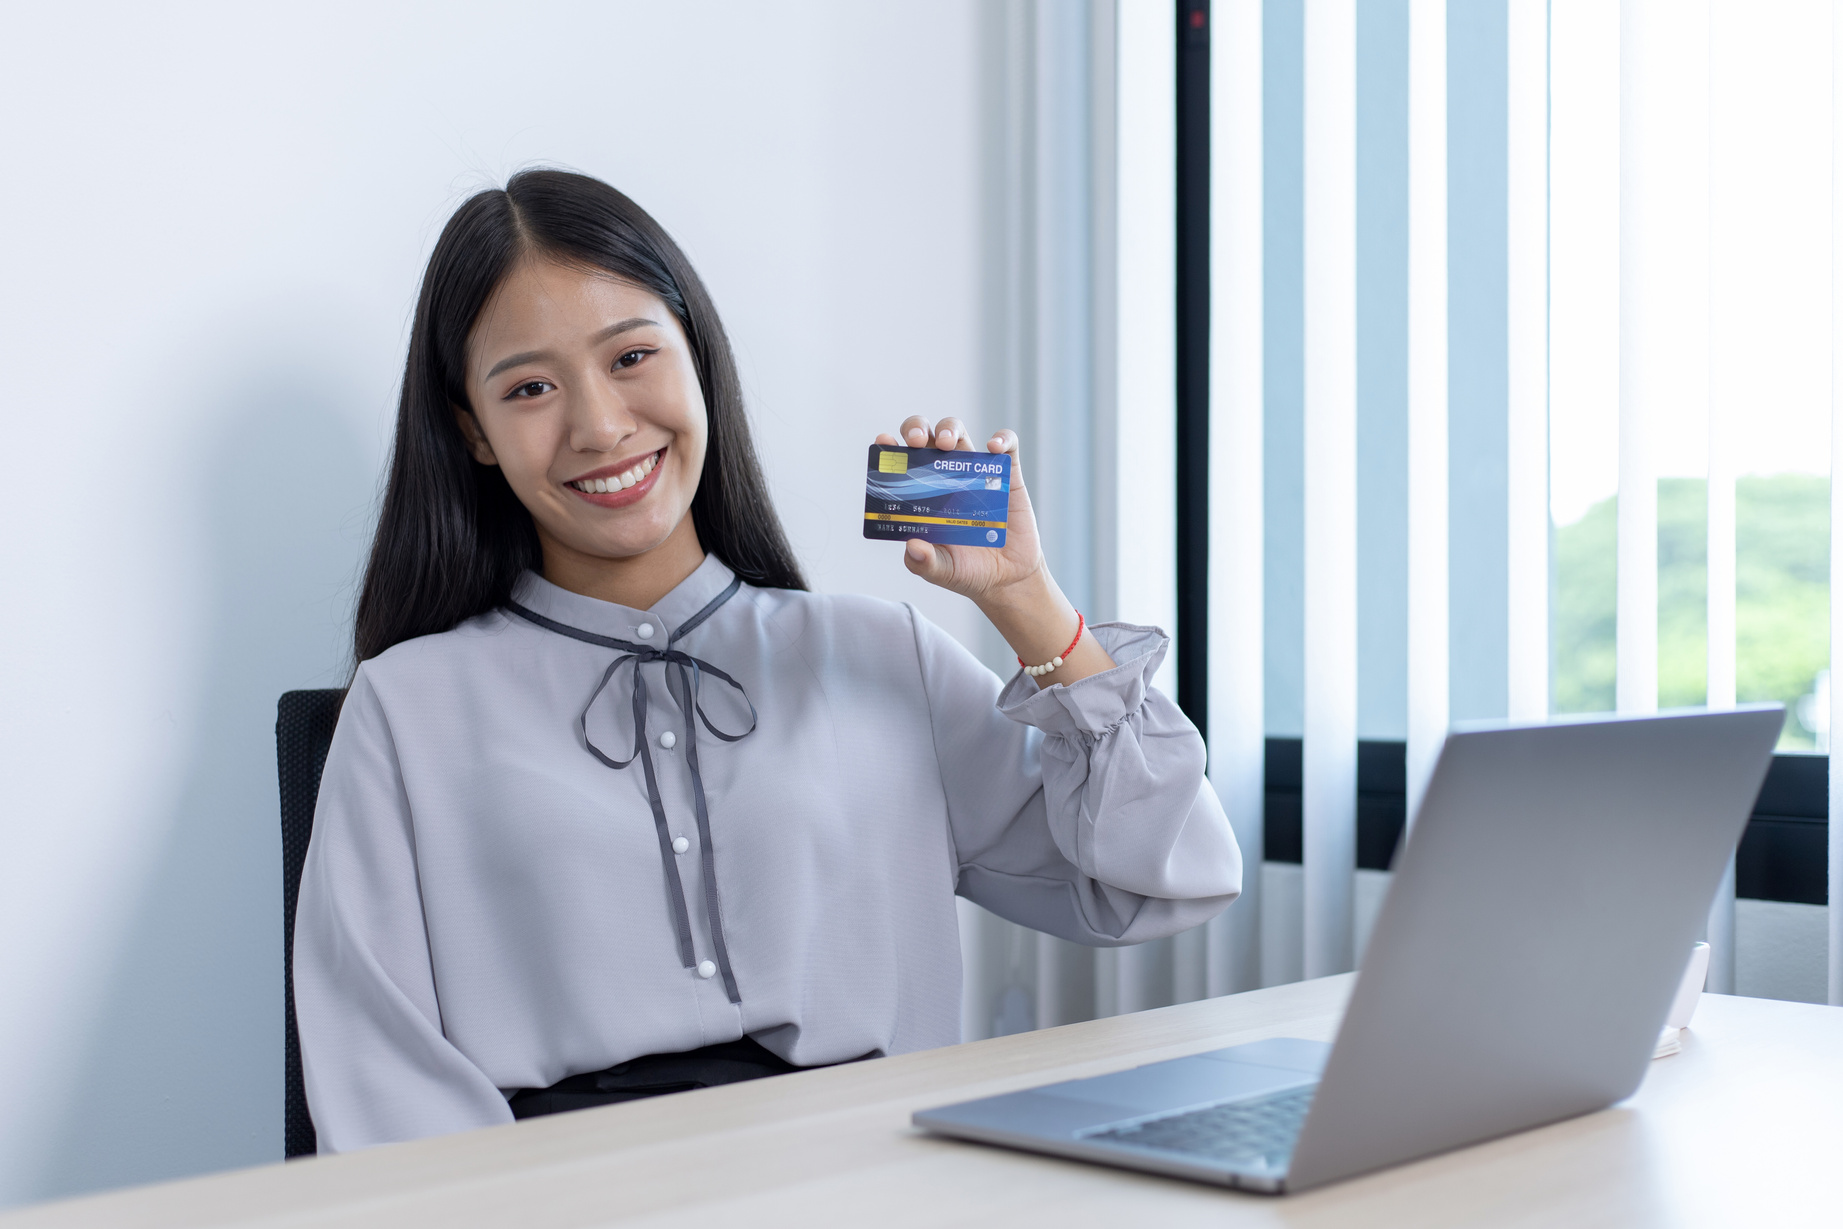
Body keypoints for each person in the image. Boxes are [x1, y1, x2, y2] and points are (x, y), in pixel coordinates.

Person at [293, 169, 1242, 1154]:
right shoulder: (406, 708)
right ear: (472, 432)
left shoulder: (880, 656)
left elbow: (1164, 881)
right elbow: (382, 1091)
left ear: (698, 358)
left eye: (631, 356)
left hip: (878, 1181)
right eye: (530, 387)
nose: (600, 424)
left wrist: (1027, 602)